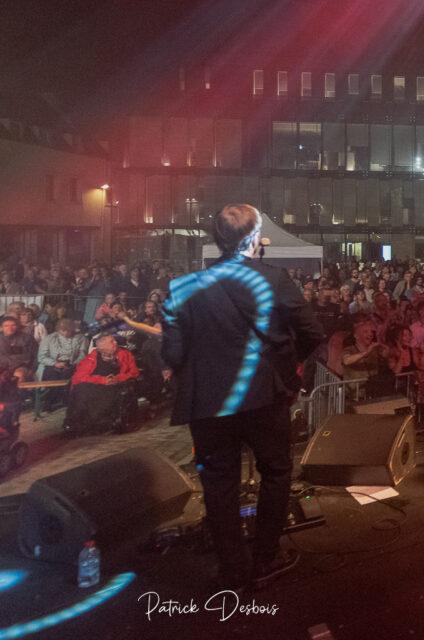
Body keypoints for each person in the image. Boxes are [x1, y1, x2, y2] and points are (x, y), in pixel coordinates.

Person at [161, 204, 325, 592]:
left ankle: (232, 568)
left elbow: (172, 355)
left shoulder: (183, 287)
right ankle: (266, 557)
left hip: (209, 403)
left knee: (218, 484)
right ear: (253, 239)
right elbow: (313, 333)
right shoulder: (274, 279)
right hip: (264, 395)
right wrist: (288, 365)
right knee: (276, 471)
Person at [65, 334, 139, 434]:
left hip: (116, 384)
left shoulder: (125, 353)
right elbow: (78, 377)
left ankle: (105, 423)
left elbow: (134, 372)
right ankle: (79, 424)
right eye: (111, 341)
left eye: (114, 340)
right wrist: (103, 380)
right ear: (102, 347)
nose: (116, 343)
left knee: (113, 393)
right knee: (81, 390)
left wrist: (117, 378)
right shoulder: (91, 358)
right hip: (96, 384)